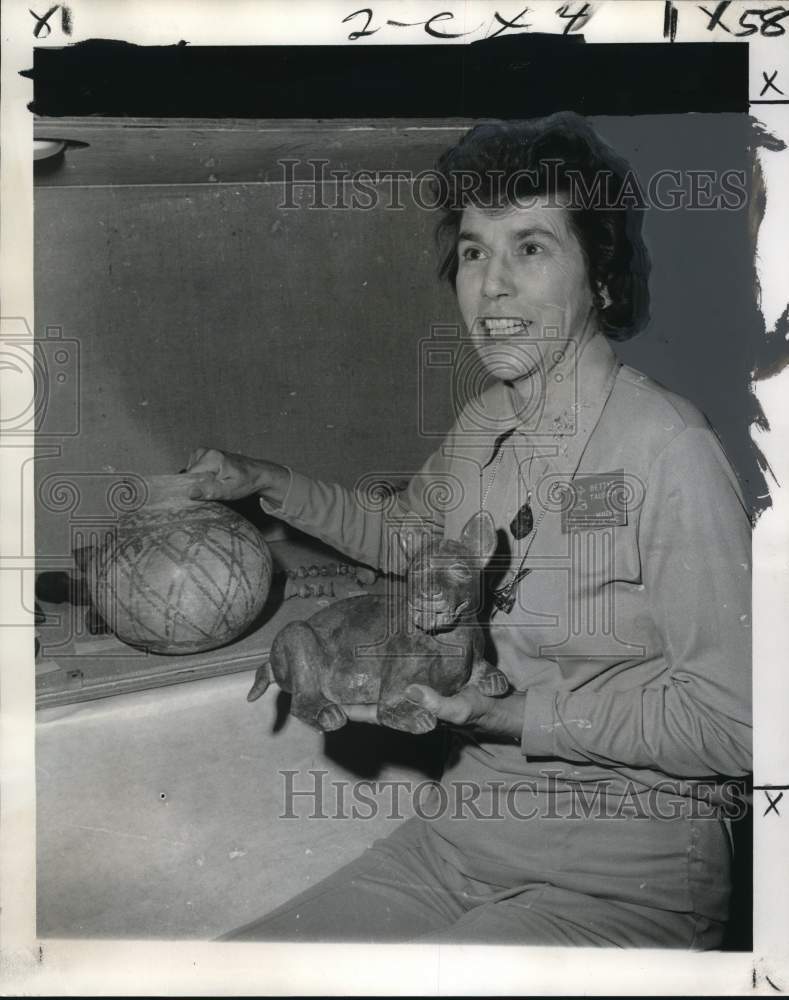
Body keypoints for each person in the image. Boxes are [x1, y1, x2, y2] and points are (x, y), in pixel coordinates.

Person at [187, 113, 752, 948]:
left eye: (530, 248)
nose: (489, 288)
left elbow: (736, 726)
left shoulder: (671, 452)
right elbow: (408, 538)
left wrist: (516, 716)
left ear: (599, 277)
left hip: (631, 871)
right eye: (474, 252)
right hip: (462, 833)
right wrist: (267, 482)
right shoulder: (486, 422)